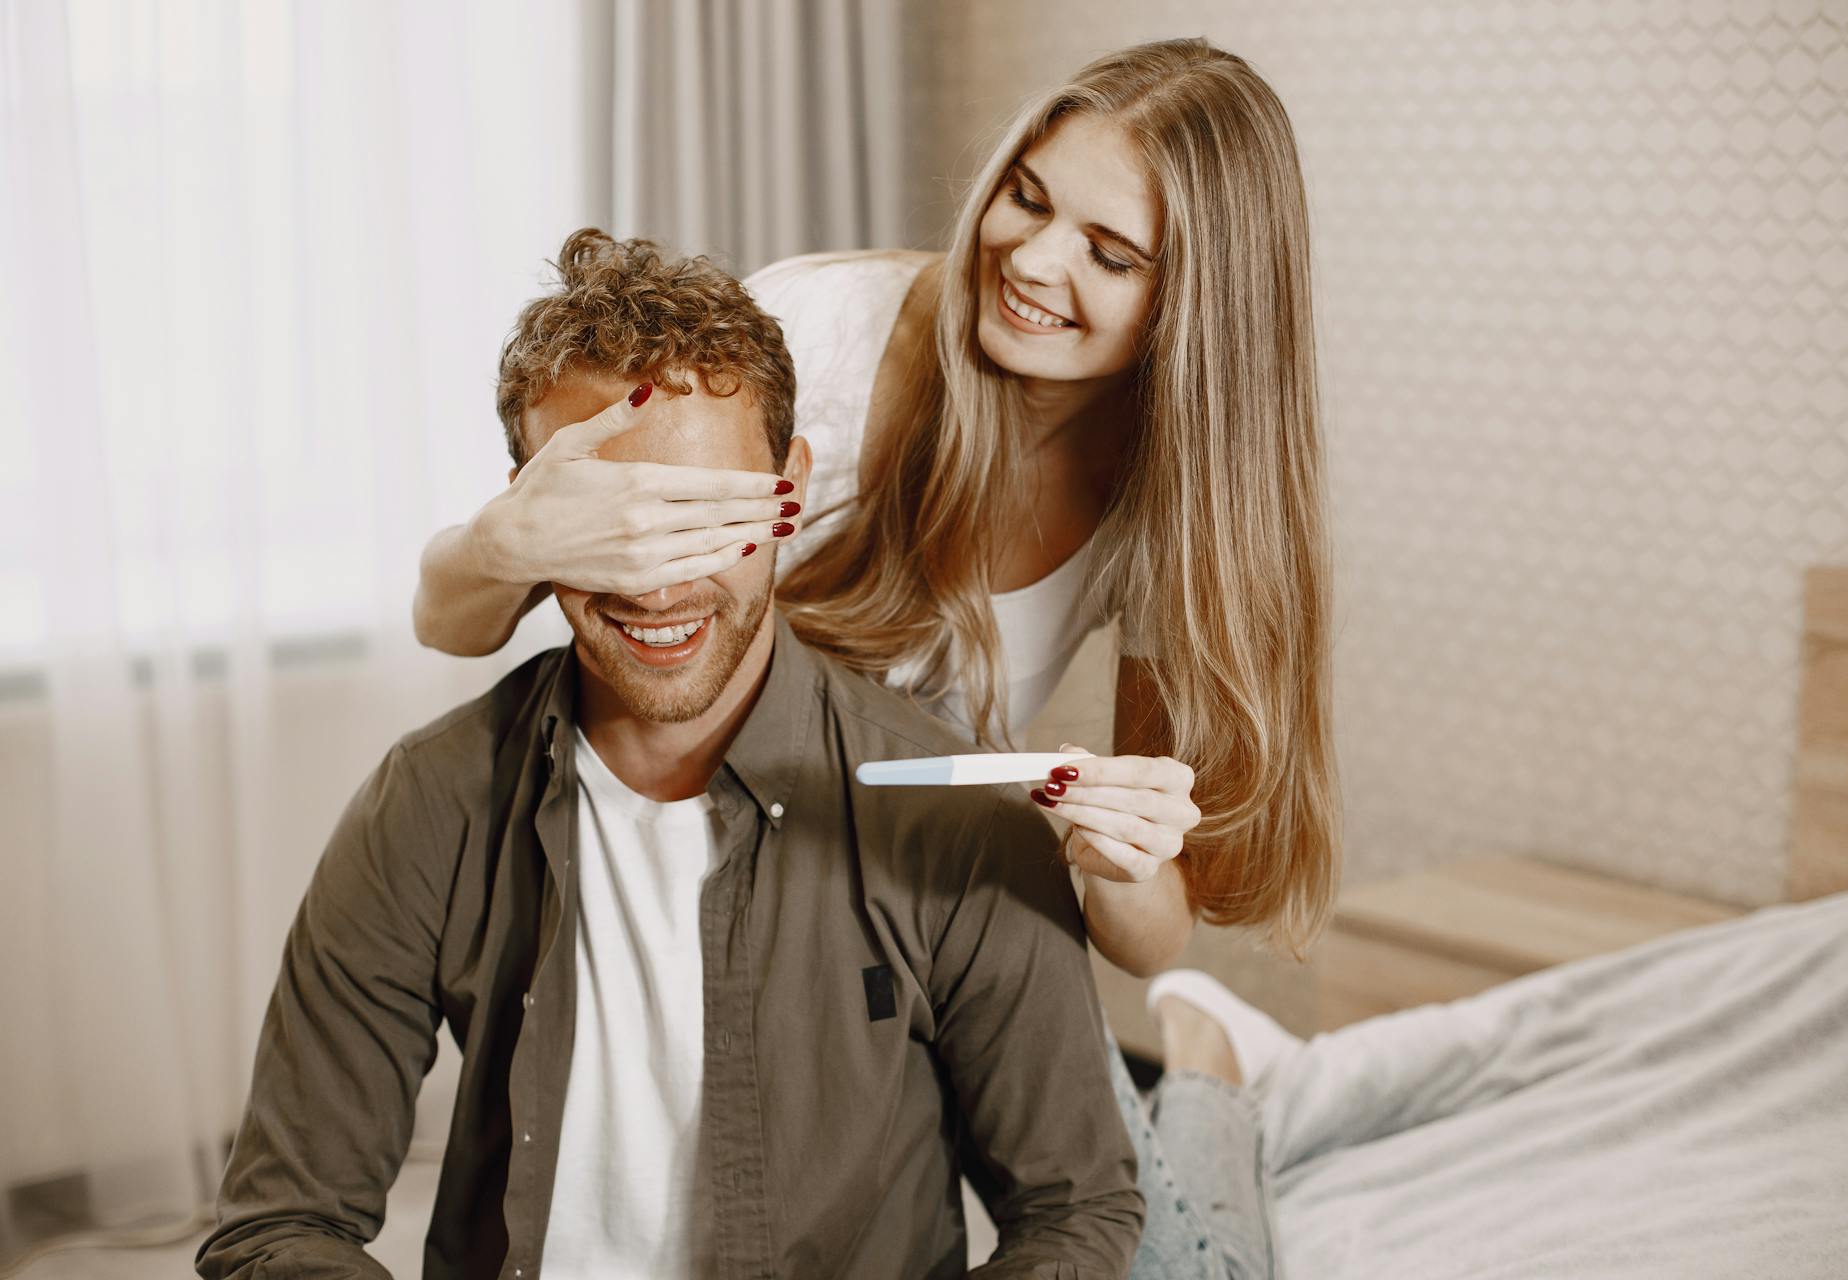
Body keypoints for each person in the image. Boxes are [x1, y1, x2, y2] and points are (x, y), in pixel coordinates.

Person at [411, 37, 1337, 1278]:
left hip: (927, 901)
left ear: (1198, 301)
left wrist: (1115, 852)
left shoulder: (1168, 503)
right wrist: (508, 536)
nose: (1035, 261)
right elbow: (451, 619)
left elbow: (1149, 930)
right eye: (1028, 196)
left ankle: (1206, 1072)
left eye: (1111, 255)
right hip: (708, 874)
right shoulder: (820, 334)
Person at [197, 235, 1143, 1279]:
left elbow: (1077, 1212)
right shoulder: (430, 805)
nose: (655, 585)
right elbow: (279, 1226)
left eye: (702, 515)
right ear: (530, 514)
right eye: (611, 526)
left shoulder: (956, 822)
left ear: (788, 489)